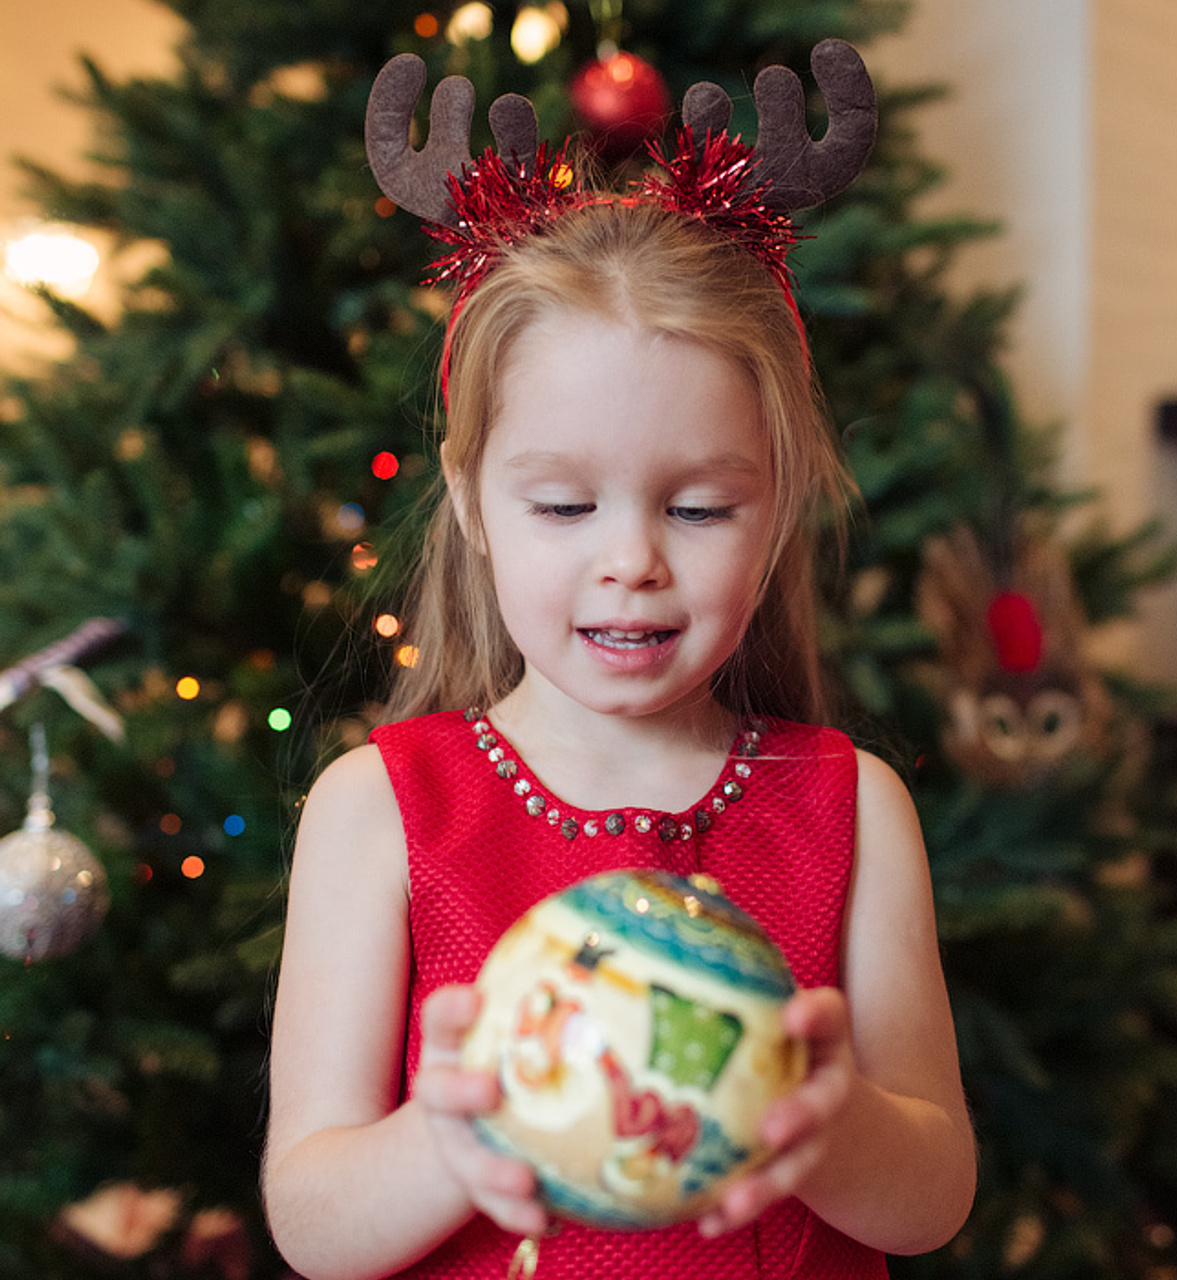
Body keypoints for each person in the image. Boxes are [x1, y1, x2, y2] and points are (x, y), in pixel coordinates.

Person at [262, 42, 976, 1280]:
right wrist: (451, 1134)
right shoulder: (379, 809)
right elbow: (312, 1220)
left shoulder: (851, 804)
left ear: (776, 507)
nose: (631, 561)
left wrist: (830, 1123)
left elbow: (931, 1194)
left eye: (697, 509)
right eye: (562, 507)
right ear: (475, 505)